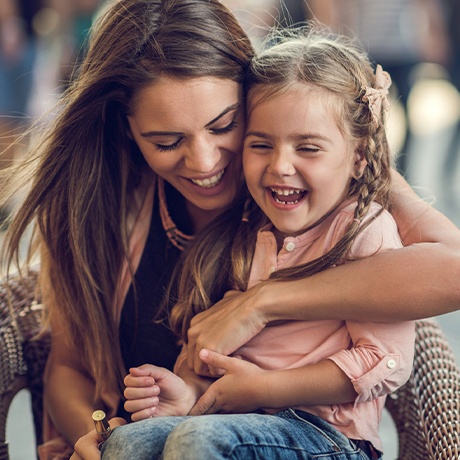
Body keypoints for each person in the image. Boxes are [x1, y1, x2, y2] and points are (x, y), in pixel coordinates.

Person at [0, 0, 458, 458]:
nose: (204, 162)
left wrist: (262, 302)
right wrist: (96, 434)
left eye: (224, 126)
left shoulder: (317, 184)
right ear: (127, 130)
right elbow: (67, 366)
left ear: (252, 94)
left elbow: (452, 270)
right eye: (167, 141)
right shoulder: (97, 202)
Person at [117, 26, 414, 460]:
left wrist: (264, 389)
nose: (280, 166)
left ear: (359, 157)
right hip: (235, 421)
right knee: (128, 442)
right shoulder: (246, 230)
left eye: (308, 148)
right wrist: (186, 393)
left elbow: (386, 361)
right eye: (261, 144)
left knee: (197, 441)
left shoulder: (364, 229)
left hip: (329, 435)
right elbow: (221, 356)